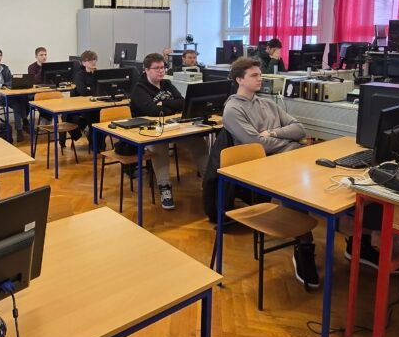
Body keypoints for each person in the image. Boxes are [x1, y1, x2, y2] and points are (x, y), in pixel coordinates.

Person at [223, 57, 319, 288]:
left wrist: (274, 133)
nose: (260, 78)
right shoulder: (232, 109)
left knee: (316, 180)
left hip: (284, 159)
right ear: (239, 80)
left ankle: (350, 241)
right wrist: (289, 143)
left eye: (260, 74)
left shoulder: (267, 103)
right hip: (259, 167)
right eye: (254, 75)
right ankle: (304, 245)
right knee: (296, 187)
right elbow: (257, 144)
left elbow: (300, 129)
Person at [129, 53, 209, 211]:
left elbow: (182, 103)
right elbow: (152, 111)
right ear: (146, 70)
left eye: (163, 67)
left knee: (197, 140)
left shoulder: (167, 84)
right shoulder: (139, 89)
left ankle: (209, 181)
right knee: (159, 146)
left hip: (173, 126)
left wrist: (163, 103)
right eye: (156, 68)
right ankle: (164, 187)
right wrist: (170, 106)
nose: (161, 71)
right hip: (149, 131)